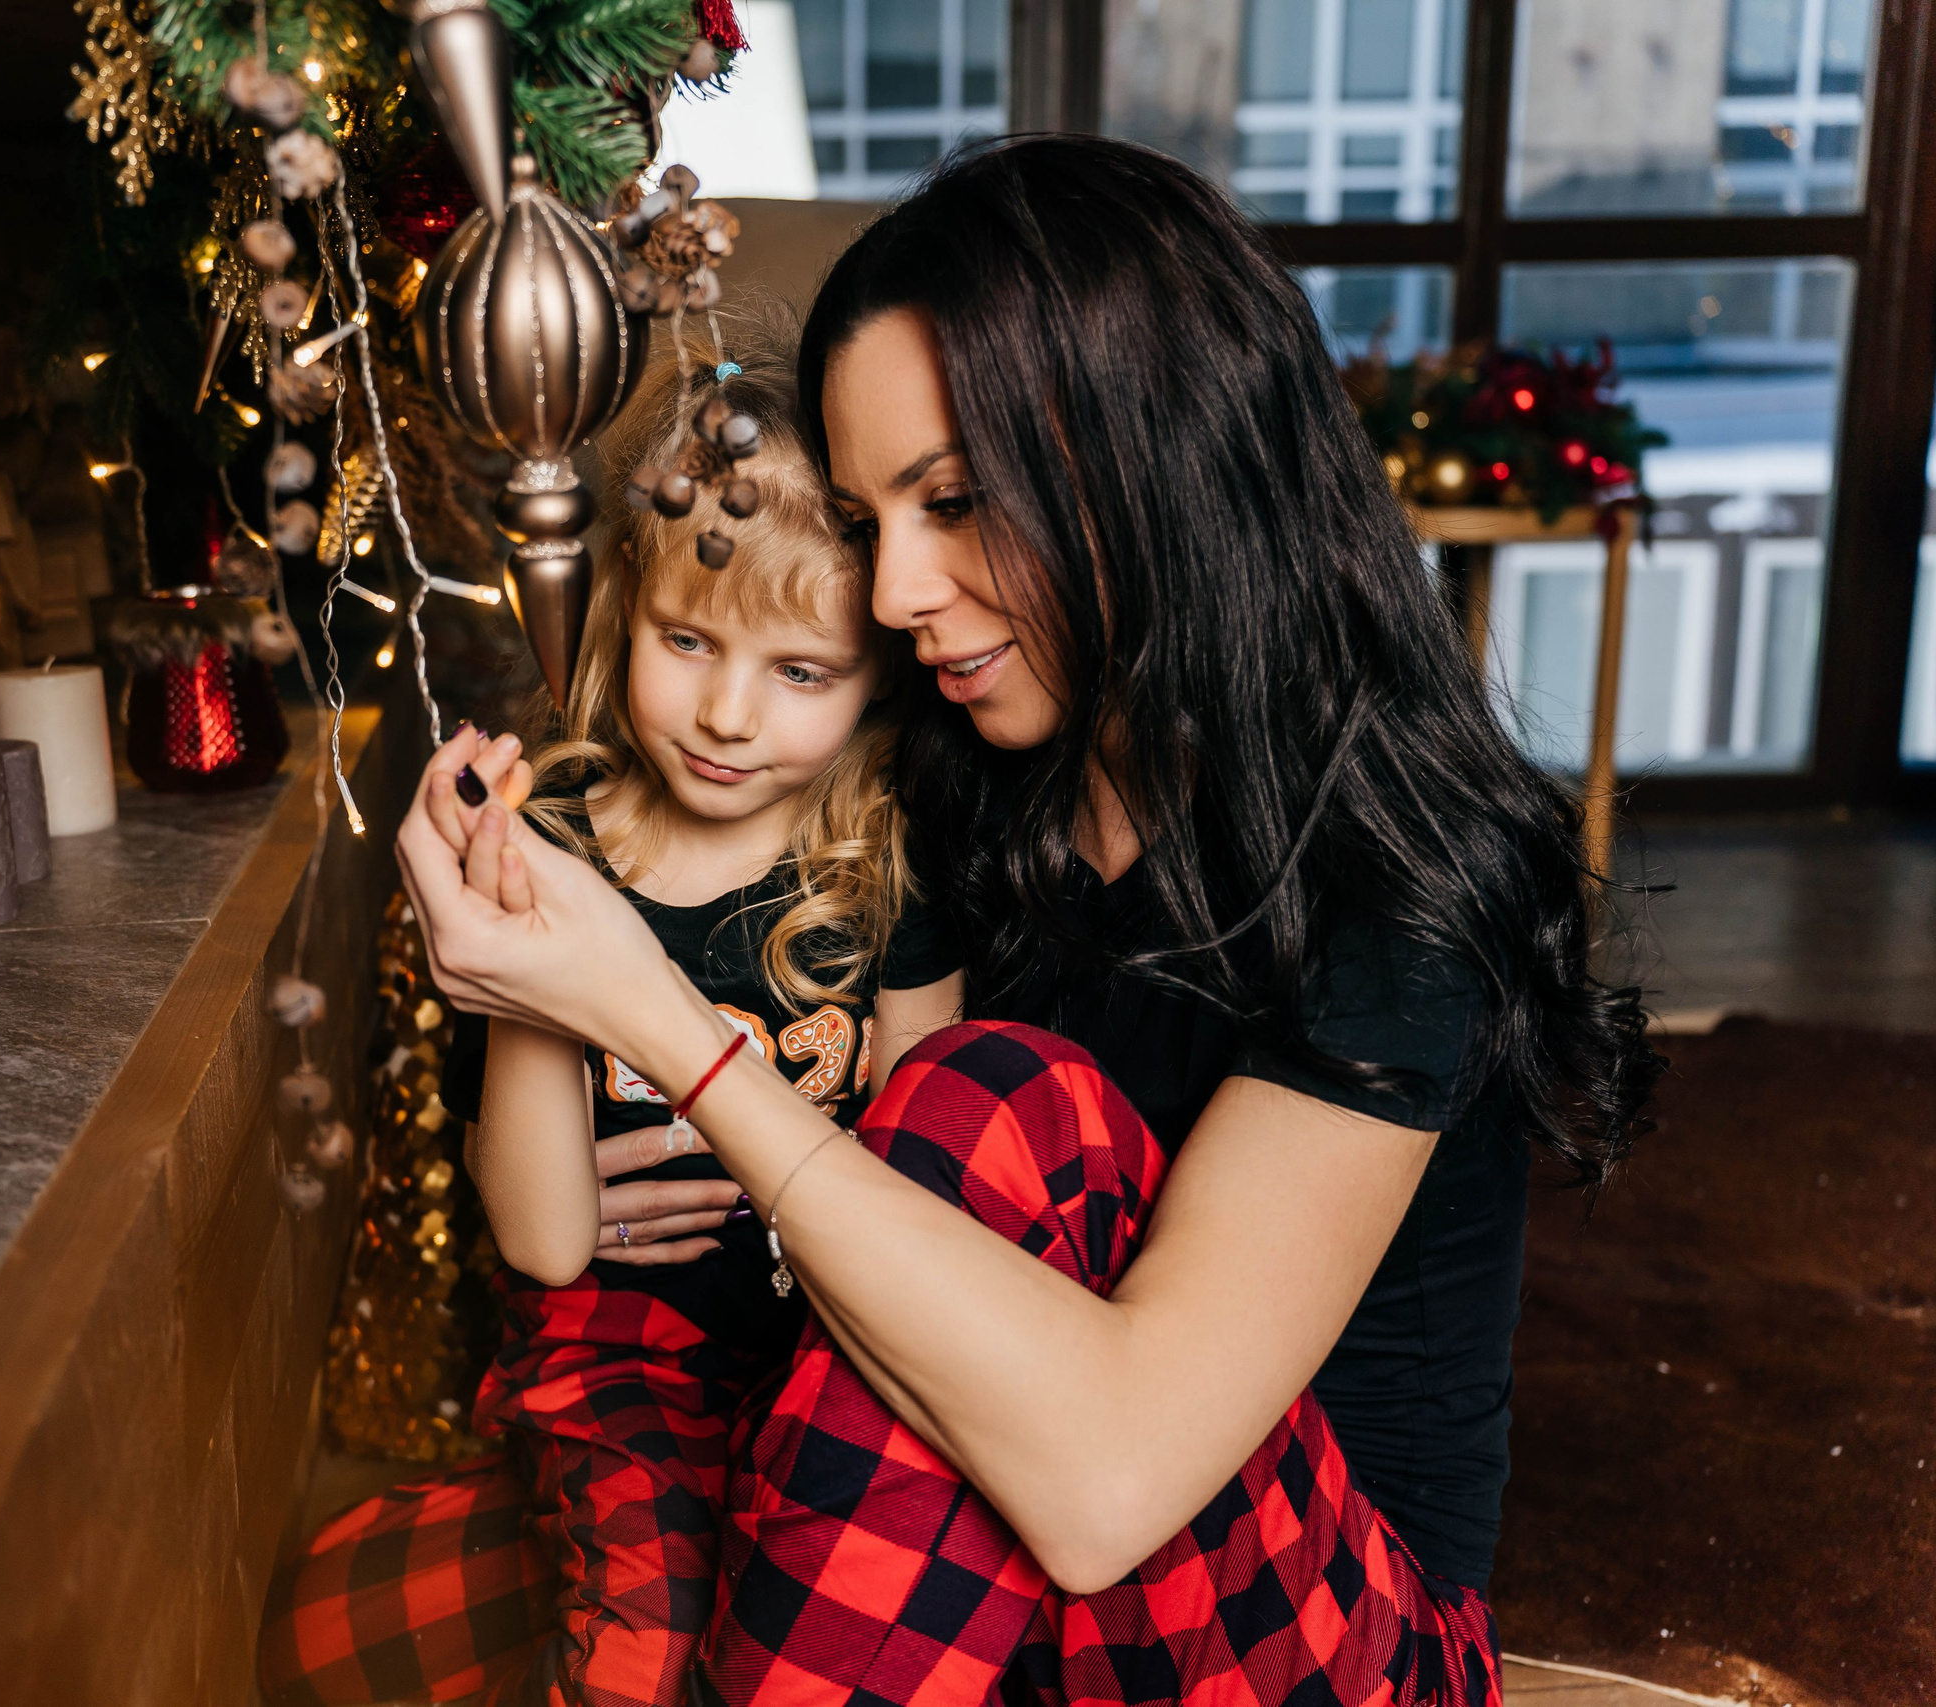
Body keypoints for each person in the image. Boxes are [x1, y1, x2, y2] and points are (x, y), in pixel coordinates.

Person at [393, 136, 1661, 1707]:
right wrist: (577, 1083)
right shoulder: (970, 763)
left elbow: (1112, 1476)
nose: (900, 592)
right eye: (870, 524)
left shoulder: (1401, 886)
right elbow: (714, 892)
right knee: (356, 1616)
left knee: (999, 1108)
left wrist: (661, 1029)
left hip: (1301, 1631)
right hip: (982, 1496)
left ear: (1157, 458)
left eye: (956, 503)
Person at [261, 321, 964, 1707]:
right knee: (651, 1624)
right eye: (685, 639)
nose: (723, 712)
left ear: (878, 677)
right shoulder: (554, 842)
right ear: (621, 611)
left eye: (799, 672)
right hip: (617, 1347)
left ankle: (436, 1573)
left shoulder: (888, 863)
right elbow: (543, 1240)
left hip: (826, 1349)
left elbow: (933, 1184)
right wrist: (528, 941)